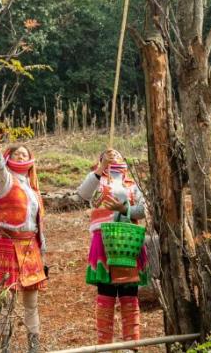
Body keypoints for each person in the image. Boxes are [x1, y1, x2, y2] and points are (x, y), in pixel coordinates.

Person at [75, 148, 148, 349]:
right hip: (104, 241)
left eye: (117, 154)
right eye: (107, 154)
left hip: (128, 242)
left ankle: (131, 345)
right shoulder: (98, 181)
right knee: (106, 294)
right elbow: (83, 194)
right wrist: (101, 168)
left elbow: (144, 209)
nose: (113, 155)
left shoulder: (132, 185)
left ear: (124, 159)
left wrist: (125, 209)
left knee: (129, 294)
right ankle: (104, 345)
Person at [0, 131, 47, 353]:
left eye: (25, 154)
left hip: (30, 246)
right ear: (9, 157)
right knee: (6, 301)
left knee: (31, 303)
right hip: (9, 244)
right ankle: (4, 347)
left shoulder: (32, 187)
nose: (22, 157)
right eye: (18, 154)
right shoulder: (5, 179)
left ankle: (34, 346)